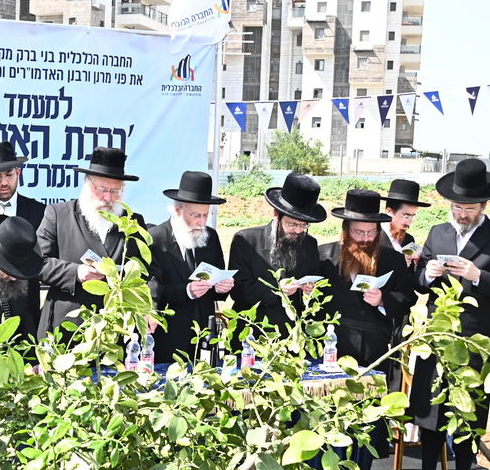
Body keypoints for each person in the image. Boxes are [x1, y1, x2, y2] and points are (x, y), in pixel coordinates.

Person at [398, 159, 490, 470]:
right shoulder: (438, 232)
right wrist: (428, 273)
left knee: (466, 414)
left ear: (484, 206)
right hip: (436, 335)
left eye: (468, 209)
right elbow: (420, 281)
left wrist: (477, 275)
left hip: (473, 340)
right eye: (456, 207)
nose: (461, 214)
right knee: (428, 410)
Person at [36, 147, 148, 337]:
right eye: (103, 189)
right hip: (67, 326)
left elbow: (148, 271)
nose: (108, 198)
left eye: (115, 191)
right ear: (87, 183)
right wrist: (76, 272)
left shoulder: (132, 222)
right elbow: (37, 263)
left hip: (114, 328)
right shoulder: (59, 214)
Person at [317, 189, 416, 369]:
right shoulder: (323, 256)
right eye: (359, 233)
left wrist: (383, 300)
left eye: (371, 233)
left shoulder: (393, 259)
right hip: (334, 345)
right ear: (346, 231)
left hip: (375, 349)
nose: (366, 239)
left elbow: (408, 297)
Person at [147, 171, 231, 364]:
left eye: (205, 215)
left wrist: (222, 287)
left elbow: (216, 280)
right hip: (169, 338)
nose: (201, 222)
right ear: (177, 210)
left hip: (204, 335)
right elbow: (151, 293)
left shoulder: (210, 237)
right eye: (195, 215)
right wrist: (186, 291)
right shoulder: (155, 239)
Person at [228, 172, 327, 334]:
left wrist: (310, 291)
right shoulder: (246, 240)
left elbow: (314, 285)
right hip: (253, 331)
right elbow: (238, 291)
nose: (298, 230)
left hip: (291, 336)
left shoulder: (310, 244)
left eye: (304, 225)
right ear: (276, 214)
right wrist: (277, 289)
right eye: (292, 224)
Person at [382, 178, 430, 267]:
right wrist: (398, 263)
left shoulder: (408, 240)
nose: (410, 220)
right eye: (406, 216)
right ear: (389, 211)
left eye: (413, 216)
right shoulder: (372, 237)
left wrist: (417, 263)